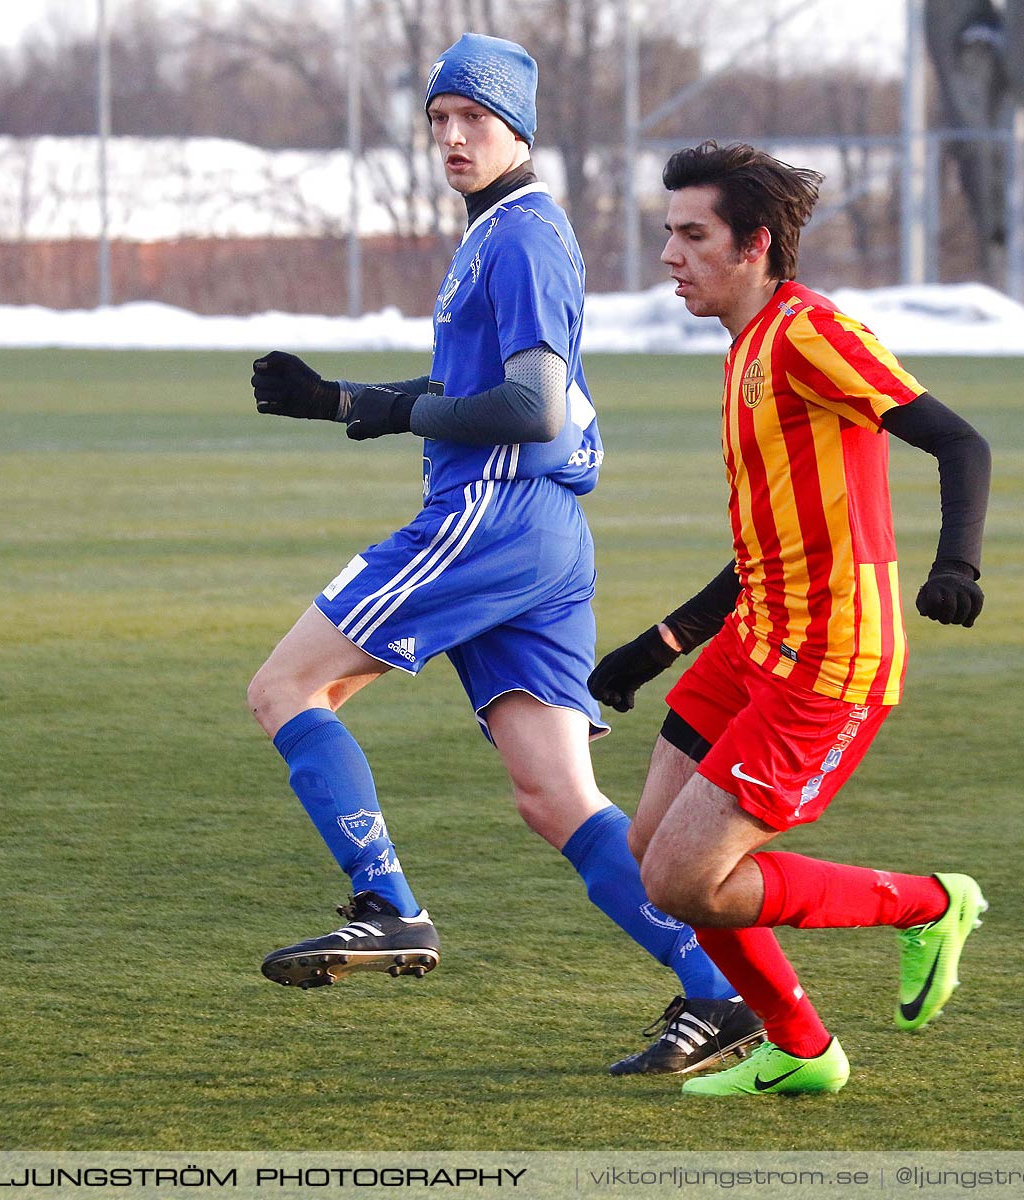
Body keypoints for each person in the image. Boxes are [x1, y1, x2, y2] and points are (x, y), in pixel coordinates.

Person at [245, 36, 759, 1076]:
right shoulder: (500, 235)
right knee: (556, 798)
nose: (450, 136)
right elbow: (497, 388)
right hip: (539, 535)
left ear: (518, 126)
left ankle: (389, 907)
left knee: (286, 685)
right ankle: (720, 993)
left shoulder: (523, 236)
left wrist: (370, 408)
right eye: (437, 119)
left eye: (471, 118)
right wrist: (340, 401)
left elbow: (531, 408)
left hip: (493, 514)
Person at [587, 141, 994, 1097]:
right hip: (752, 644)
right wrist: (659, 645)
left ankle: (931, 907)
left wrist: (956, 568)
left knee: (685, 883)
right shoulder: (745, 352)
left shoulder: (809, 334)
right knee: (653, 849)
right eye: (668, 234)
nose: (671, 256)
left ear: (754, 245)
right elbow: (768, 543)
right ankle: (803, 1049)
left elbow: (958, 441)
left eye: (694, 235)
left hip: (829, 659)